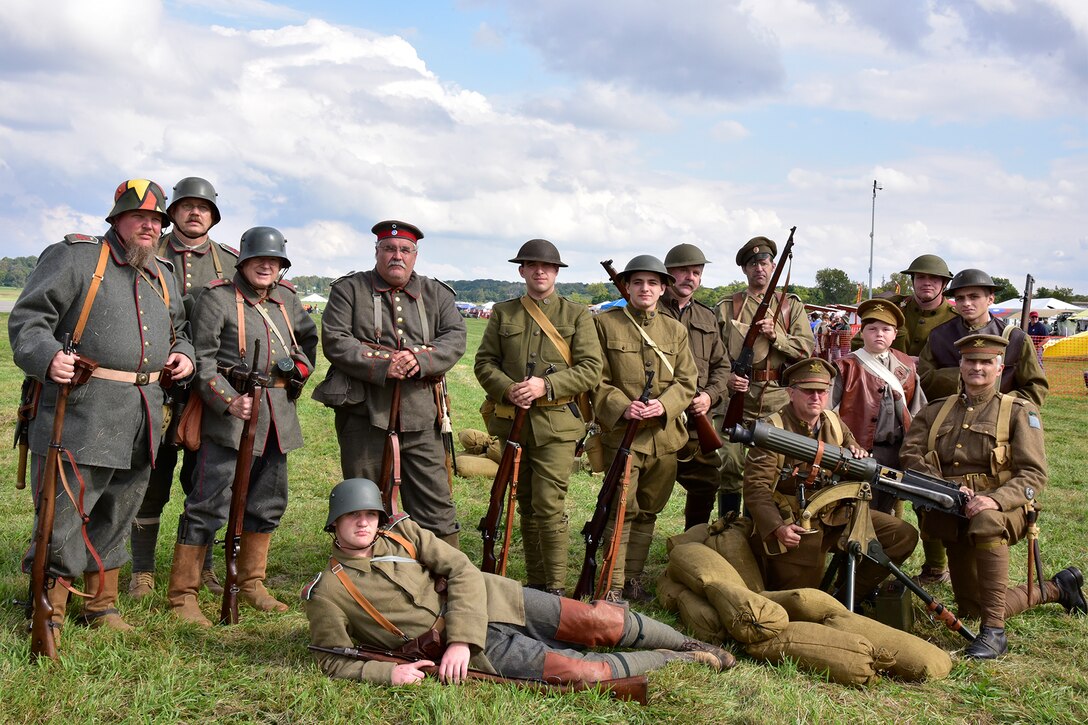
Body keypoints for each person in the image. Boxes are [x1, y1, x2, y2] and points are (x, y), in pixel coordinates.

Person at [303, 478, 734, 686]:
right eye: (353, 516)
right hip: (459, 648)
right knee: (580, 672)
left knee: (598, 619)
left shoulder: (402, 532)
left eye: (370, 514)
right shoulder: (329, 591)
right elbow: (331, 659)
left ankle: (686, 642)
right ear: (334, 523)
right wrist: (389, 675)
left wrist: (460, 638)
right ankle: (679, 660)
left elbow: (463, 570)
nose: (364, 523)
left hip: (491, 599)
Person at [10, 179, 195, 632]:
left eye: (157, 221)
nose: (150, 227)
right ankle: (48, 604)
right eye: (140, 218)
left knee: (120, 508)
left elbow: (181, 330)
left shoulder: (163, 275)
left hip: (143, 415)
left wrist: (185, 355)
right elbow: (30, 320)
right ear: (117, 219)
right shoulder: (76, 257)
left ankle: (100, 603)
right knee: (65, 510)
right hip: (80, 412)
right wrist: (47, 356)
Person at [900, 334, 1086, 658]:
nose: (978, 368)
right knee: (973, 608)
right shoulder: (935, 411)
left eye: (986, 362)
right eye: (971, 361)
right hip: (954, 510)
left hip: (1004, 509)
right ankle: (1057, 587)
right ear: (960, 365)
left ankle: (994, 634)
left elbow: (1033, 474)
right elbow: (911, 454)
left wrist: (995, 500)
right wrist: (941, 487)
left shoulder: (1018, 411)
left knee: (986, 521)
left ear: (999, 367)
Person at [167, 226, 317, 626]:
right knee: (207, 505)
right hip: (229, 421)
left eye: (274, 262)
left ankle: (251, 583)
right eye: (258, 260)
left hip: (277, 419)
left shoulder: (287, 300)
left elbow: (307, 342)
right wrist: (229, 401)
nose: (266, 266)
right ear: (244, 262)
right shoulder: (216, 298)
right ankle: (184, 595)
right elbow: (203, 360)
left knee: (267, 505)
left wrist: (301, 368)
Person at [313, 221, 466, 546]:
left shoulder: (436, 292)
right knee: (363, 498)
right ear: (377, 251)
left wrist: (420, 359)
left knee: (435, 500)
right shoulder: (348, 289)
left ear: (415, 255)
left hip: (420, 412)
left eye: (405, 250)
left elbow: (455, 336)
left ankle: (447, 573)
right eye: (389, 249)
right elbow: (336, 339)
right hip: (362, 412)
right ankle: (364, 567)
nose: (397, 255)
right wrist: (384, 363)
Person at [473, 239, 603, 595]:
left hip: (557, 423)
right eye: (532, 265)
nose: (540, 271)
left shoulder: (576, 315)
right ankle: (536, 582)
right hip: (513, 423)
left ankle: (556, 589)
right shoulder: (505, 312)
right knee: (527, 503)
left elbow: (591, 369)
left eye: (547, 266)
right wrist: (506, 388)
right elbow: (484, 363)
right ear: (522, 271)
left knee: (548, 503)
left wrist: (545, 385)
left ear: (557, 272)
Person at [130, 176, 239, 599]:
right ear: (171, 212)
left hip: (211, 388)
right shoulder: (145, 249)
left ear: (213, 216)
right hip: (157, 383)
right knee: (150, 475)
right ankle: (142, 570)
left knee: (207, 480)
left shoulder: (231, 262)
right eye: (186, 206)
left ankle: (203, 567)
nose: (195, 213)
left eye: (203, 207)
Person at [743, 358, 918, 601]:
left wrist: (856, 451)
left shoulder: (833, 421)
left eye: (822, 391)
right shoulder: (773, 430)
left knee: (902, 535)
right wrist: (777, 528)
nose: (816, 397)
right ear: (791, 393)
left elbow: (850, 445)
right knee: (802, 601)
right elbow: (756, 489)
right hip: (797, 525)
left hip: (838, 516)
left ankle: (846, 594)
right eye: (808, 391)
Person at [592, 255, 697, 602]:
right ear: (627, 287)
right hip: (624, 436)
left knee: (649, 509)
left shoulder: (676, 330)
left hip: (665, 438)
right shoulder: (606, 324)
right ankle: (613, 583)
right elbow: (596, 379)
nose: (645, 289)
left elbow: (687, 381)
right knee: (621, 507)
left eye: (653, 283)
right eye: (638, 282)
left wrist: (664, 405)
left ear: (663, 288)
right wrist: (624, 406)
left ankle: (634, 578)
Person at [716, 236, 814, 519]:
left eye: (764, 262)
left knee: (768, 469)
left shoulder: (790, 306)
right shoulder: (727, 307)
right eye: (752, 264)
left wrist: (776, 336)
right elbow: (713, 356)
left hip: (777, 399)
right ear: (744, 270)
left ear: (773, 266)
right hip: (737, 396)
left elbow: (806, 348)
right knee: (730, 466)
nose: (759, 268)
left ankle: (759, 526)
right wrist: (727, 381)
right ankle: (729, 526)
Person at [831, 299, 926, 515]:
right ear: (861, 332)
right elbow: (827, 413)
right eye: (872, 329)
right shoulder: (846, 367)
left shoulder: (907, 366)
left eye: (886, 329)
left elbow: (919, 412)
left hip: (895, 452)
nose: (879, 334)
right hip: (857, 453)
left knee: (887, 513)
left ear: (895, 334)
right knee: (855, 512)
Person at [660, 243, 729, 529]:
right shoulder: (648, 310)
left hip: (694, 421)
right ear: (667, 274)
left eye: (696, 272)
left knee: (706, 484)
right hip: (658, 419)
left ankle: (692, 545)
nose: (690, 277)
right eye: (683, 270)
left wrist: (710, 397)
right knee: (641, 492)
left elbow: (722, 367)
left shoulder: (706, 316)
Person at [918, 268, 1047, 407]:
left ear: (990, 299)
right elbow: (922, 379)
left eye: (974, 297)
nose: (966, 303)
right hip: (948, 418)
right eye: (960, 298)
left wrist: (999, 404)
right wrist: (960, 375)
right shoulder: (939, 335)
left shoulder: (1015, 338)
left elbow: (1036, 388)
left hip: (998, 421)